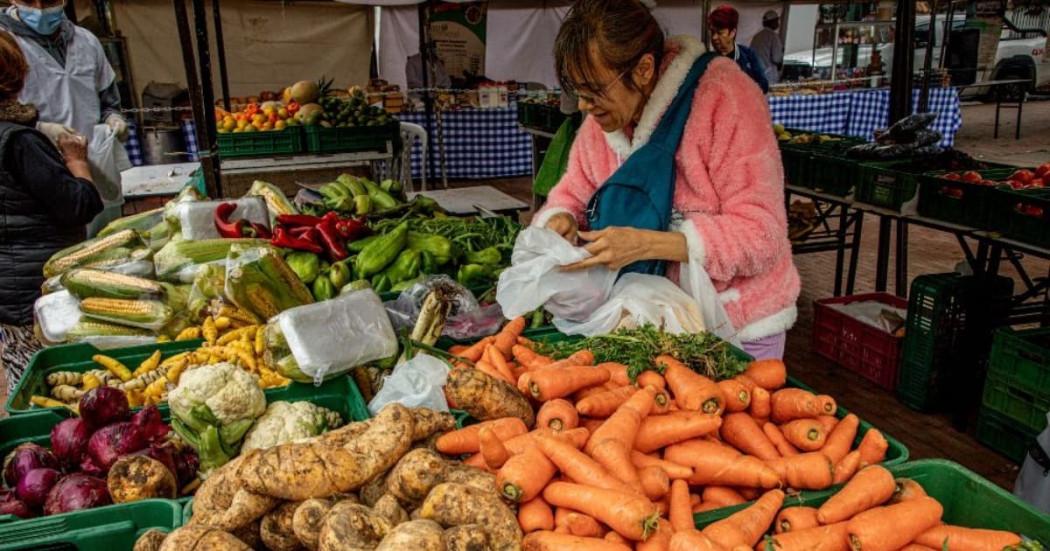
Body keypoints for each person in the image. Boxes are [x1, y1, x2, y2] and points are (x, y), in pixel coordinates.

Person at [537, 0, 799, 360]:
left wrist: (649, 244)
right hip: (651, 325)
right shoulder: (605, 119)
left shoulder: (726, 97)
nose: (583, 105)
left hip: (736, 326)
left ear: (644, 69)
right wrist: (561, 218)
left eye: (593, 91)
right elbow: (571, 193)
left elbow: (762, 232)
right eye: (578, 92)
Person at [0, 30, 103, 390]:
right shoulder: (19, 142)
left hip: (9, 292)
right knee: (56, 385)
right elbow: (77, 205)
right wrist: (77, 163)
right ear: (16, 75)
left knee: (25, 379)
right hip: (39, 291)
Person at [0, 0, 128, 235]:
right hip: (41, 169)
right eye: (30, 1)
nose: (40, 8)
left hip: (96, 163)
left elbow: (109, 99)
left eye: (49, 1)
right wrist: (41, 127)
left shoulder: (87, 41)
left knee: (110, 242)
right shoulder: (5, 45)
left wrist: (114, 118)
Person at [707, 5, 769, 93]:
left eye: (719, 33)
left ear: (732, 33)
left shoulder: (748, 55)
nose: (714, 37)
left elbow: (764, 86)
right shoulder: (707, 59)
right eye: (712, 32)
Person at [750, 10, 784, 86]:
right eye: (776, 21)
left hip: (756, 74)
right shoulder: (773, 36)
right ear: (772, 22)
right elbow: (776, 58)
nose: (778, 23)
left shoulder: (756, 36)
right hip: (769, 75)